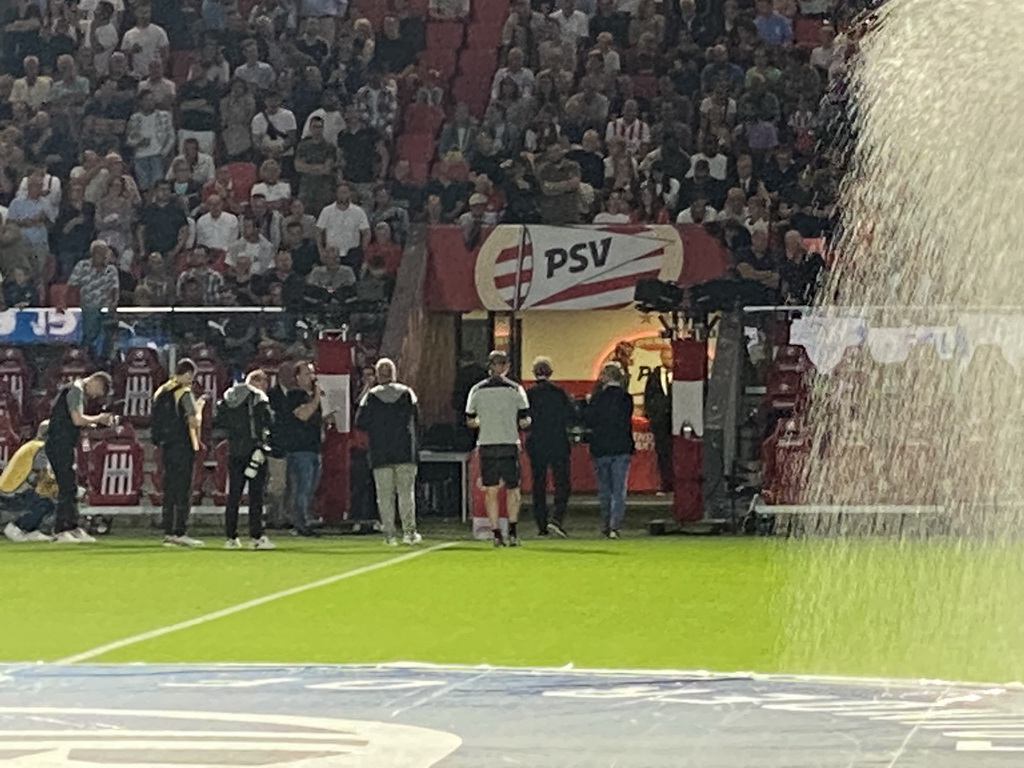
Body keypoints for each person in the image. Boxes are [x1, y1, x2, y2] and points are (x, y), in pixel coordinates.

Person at [465, 350, 531, 547]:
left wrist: (483, 422)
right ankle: (512, 530)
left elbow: (470, 420)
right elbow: (525, 419)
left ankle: (496, 533)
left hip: (486, 444)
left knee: (491, 491)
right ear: (507, 366)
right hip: (509, 443)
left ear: (489, 365)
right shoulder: (516, 389)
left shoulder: (477, 390)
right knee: (513, 490)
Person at [356, 358, 422, 546]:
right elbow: (417, 419)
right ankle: (409, 532)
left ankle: (389, 534)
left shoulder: (371, 396)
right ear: (394, 374)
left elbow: (360, 422)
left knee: (384, 496)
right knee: (406, 494)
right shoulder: (407, 393)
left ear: (377, 375)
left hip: (380, 452)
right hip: (404, 451)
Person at [45, 371, 115, 543]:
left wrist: (92, 423)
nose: (95, 396)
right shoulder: (76, 390)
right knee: (66, 486)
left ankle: (72, 526)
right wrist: (99, 418)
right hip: (59, 444)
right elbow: (77, 419)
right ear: (94, 382)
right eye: (98, 392)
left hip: (65, 443)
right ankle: (61, 529)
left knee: (71, 485)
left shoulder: (76, 391)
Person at [216, 369, 276, 550]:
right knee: (256, 495)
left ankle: (231, 537)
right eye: (264, 381)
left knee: (234, 494)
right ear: (257, 381)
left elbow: (220, 421)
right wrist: (262, 444)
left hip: (235, 450)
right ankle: (256, 536)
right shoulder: (258, 398)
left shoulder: (229, 397)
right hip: (254, 449)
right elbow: (267, 422)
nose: (266, 385)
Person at [153, 358, 206, 547]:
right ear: (189, 374)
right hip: (183, 445)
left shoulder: (161, 390)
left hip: (165, 446)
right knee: (182, 489)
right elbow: (193, 421)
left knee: (169, 489)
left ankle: (168, 532)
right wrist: (199, 408)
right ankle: (180, 531)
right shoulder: (184, 392)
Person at [525, 357, 575, 538]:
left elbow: (523, 418)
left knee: (539, 485)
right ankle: (557, 518)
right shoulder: (560, 393)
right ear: (550, 373)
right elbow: (571, 415)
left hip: (536, 443)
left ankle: (541, 525)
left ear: (534, 373)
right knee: (562, 483)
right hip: (558, 442)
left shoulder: (528, 394)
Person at [585, 361, 634, 539]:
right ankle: (615, 526)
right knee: (619, 489)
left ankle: (605, 523)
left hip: (601, 448)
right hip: (621, 447)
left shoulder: (597, 398)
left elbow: (588, 420)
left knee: (604, 489)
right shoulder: (626, 398)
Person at [278, 361, 324, 537]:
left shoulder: (309, 396)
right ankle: (301, 522)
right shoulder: (295, 395)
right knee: (302, 487)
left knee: (311, 486)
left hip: (313, 447)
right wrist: (317, 398)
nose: (311, 377)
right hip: (300, 448)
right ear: (297, 377)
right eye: (306, 373)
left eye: (312, 373)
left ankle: (306, 518)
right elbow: (303, 414)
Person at [1, 420, 59, 542]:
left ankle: (31, 530)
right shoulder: (41, 448)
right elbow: (40, 474)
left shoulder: (31, 445)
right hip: (14, 491)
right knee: (46, 502)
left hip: (7, 488)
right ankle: (17, 529)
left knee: (43, 500)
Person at [643, 345, 674, 494]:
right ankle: (665, 484)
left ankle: (678, 485)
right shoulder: (654, 376)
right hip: (660, 421)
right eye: (666, 358)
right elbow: (648, 397)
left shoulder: (682, 375)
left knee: (678, 453)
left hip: (677, 421)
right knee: (662, 454)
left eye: (671, 357)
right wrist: (651, 415)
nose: (669, 360)